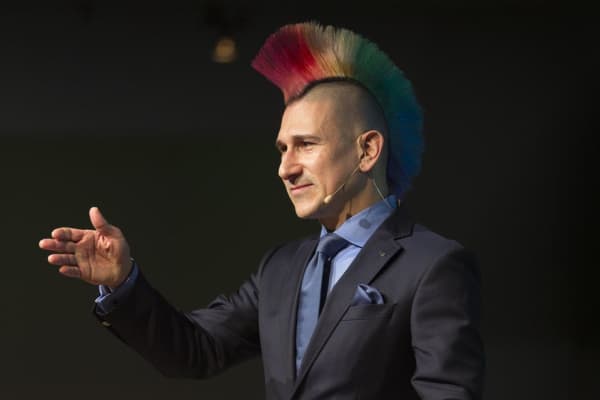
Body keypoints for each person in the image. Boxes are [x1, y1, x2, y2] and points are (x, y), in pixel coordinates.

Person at [39, 22, 484, 399]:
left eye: (306, 144)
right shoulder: (280, 268)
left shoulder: (433, 265)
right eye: (282, 149)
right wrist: (122, 282)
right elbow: (195, 351)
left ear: (367, 150)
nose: (285, 168)